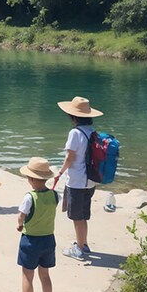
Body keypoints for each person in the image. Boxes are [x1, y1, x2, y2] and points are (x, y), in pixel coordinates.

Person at [54, 96, 103, 261]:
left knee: (76, 217)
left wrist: (60, 172)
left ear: (73, 117)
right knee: (83, 215)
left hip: (76, 181)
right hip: (90, 181)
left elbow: (70, 158)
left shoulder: (75, 133)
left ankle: (80, 249)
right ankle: (84, 243)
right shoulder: (92, 132)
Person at [16, 157, 59, 292]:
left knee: (27, 276)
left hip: (31, 240)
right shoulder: (54, 195)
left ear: (31, 179)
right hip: (48, 239)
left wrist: (20, 225)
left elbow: (21, 217)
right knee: (45, 275)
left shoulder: (29, 197)